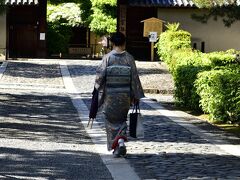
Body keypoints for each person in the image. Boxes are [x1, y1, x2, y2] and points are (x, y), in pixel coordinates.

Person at [94, 32, 144, 158]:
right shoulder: (129, 58)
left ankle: (118, 144)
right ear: (124, 42)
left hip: (110, 96)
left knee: (109, 120)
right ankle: (120, 142)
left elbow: (100, 77)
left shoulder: (108, 58)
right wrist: (136, 95)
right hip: (125, 96)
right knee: (121, 119)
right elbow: (134, 78)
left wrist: (97, 90)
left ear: (112, 43)